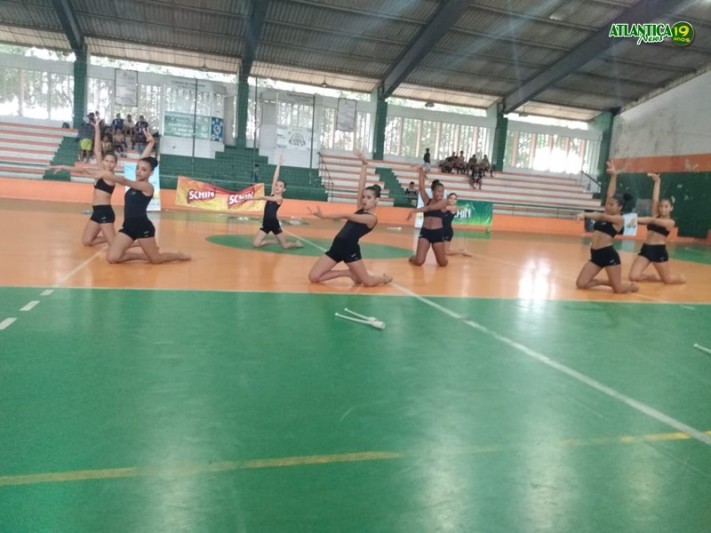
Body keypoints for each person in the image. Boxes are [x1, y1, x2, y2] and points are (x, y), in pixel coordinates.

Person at [308, 154, 392, 287]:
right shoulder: (360, 208)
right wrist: (364, 165)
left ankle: (384, 278)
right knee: (313, 277)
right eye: (363, 197)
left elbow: (346, 215)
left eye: (368, 198)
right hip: (336, 247)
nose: (364, 199)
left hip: (350, 249)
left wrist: (323, 216)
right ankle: (347, 273)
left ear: (376, 200)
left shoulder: (371, 219)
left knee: (368, 282)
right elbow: (361, 186)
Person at [105, 138, 191, 264]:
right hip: (128, 226)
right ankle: (142, 256)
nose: (139, 171)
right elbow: (142, 161)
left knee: (156, 259)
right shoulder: (137, 181)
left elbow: (124, 181)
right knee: (112, 258)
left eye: (144, 170)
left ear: (151, 173)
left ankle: (179, 256)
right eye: (138, 168)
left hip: (142, 226)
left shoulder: (147, 187)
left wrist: (104, 174)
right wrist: (151, 143)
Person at [574, 161, 638, 293]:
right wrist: (614, 175)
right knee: (581, 283)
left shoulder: (619, 219)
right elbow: (610, 194)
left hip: (608, 255)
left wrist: (584, 214)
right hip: (595, 255)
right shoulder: (606, 212)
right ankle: (607, 282)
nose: (608, 206)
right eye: (607, 204)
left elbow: (601, 217)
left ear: (620, 207)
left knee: (618, 289)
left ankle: (631, 286)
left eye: (612, 205)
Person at [628, 173, 685, 284]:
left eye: (666, 207)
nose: (662, 209)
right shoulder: (656, 215)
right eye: (661, 206)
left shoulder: (670, 222)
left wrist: (633, 219)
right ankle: (653, 277)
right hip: (645, 249)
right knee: (633, 276)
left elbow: (652, 221)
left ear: (671, 208)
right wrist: (657, 182)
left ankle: (681, 278)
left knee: (667, 280)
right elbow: (655, 199)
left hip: (658, 251)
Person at [237, 156, 303, 249]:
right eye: (276, 185)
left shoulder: (279, 198)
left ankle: (297, 244)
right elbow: (275, 177)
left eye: (280, 186)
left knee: (285, 246)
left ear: (284, 189)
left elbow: (263, 197)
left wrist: (248, 198)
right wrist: (278, 165)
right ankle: (275, 241)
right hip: (266, 223)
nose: (277, 187)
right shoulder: (272, 193)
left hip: (273, 223)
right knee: (256, 244)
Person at [408, 167, 448, 267]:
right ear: (433, 192)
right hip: (425, 232)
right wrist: (421, 172)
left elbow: (430, 208)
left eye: (442, 192)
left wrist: (415, 211)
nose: (441, 194)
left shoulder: (443, 202)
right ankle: (413, 257)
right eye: (438, 191)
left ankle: (444, 257)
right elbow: (421, 187)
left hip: (437, 233)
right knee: (419, 262)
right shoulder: (427, 200)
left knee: (442, 263)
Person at [443, 193, 472, 257]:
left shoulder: (453, 208)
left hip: (447, 231)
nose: (452, 200)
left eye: (454, 199)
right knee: (444, 250)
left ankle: (462, 251)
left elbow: (442, 208)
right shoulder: (445, 206)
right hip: (441, 231)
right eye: (451, 198)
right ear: (447, 199)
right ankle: (457, 250)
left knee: (445, 252)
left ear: (456, 201)